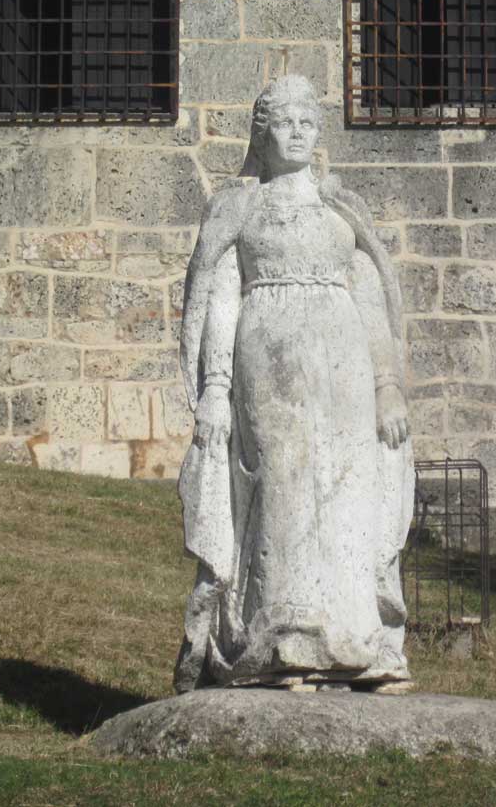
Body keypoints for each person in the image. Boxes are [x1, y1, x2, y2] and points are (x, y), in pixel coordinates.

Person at [174, 75, 415, 692]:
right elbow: (221, 296)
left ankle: (359, 642)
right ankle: (282, 636)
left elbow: (369, 294)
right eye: (285, 124)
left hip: (344, 364)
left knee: (349, 484)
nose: (298, 134)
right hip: (268, 360)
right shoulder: (240, 209)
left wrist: (388, 385)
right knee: (280, 480)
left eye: (308, 123)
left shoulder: (341, 206)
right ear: (263, 135)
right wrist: (214, 387)